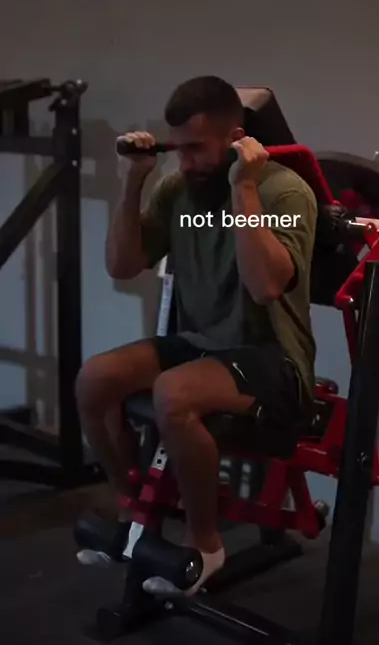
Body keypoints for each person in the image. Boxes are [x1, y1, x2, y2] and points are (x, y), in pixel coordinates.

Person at [75, 75, 318, 594]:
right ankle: (135, 518)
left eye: (195, 150)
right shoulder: (178, 191)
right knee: (94, 379)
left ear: (236, 140)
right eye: (177, 149)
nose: (184, 163)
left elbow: (266, 286)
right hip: (202, 342)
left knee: (173, 393)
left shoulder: (285, 190)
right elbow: (122, 265)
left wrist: (243, 188)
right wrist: (134, 180)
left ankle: (206, 546)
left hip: (272, 357)